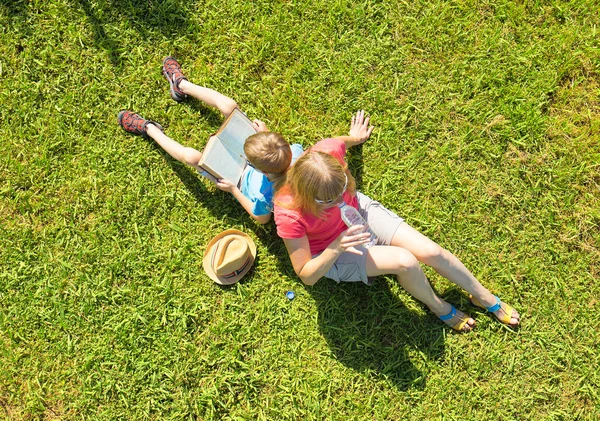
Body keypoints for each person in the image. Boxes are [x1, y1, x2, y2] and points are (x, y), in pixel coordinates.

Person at [273, 111, 520, 332]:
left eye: (343, 189)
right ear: (307, 195)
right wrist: (337, 245)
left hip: (361, 212)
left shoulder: (325, 153)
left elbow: (340, 142)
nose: (339, 202)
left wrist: (355, 139)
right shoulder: (288, 212)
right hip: (335, 250)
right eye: (328, 201)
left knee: (431, 251)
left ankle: (484, 297)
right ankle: (439, 307)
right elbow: (306, 275)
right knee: (406, 262)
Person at [118, 56, 303, 224]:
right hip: (264, 156)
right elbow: (281, 149)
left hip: (236, 178)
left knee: (192, 157)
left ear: (261, 170)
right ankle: (181, 86)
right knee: (230, 106)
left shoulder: (266, 196)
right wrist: (265, 134)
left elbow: (262, 219)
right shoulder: (295, 153)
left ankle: (150, 129)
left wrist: (233, 190)